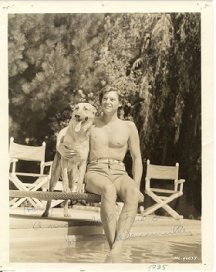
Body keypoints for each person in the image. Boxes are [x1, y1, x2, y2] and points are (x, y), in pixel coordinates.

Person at [58, 87, 144, 262]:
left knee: (133, 193)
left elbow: (137, 158)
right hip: (96, 171)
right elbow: (68, 136)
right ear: (100, 102)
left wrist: (136, 185)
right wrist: (60, 147)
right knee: (108, 189)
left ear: (119, 103)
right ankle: (115, 251)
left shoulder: (129, 126)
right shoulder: (91, 122)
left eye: (112, 99)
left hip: (120, 172)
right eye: (105, 98)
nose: (108, 102)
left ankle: (115, 250)